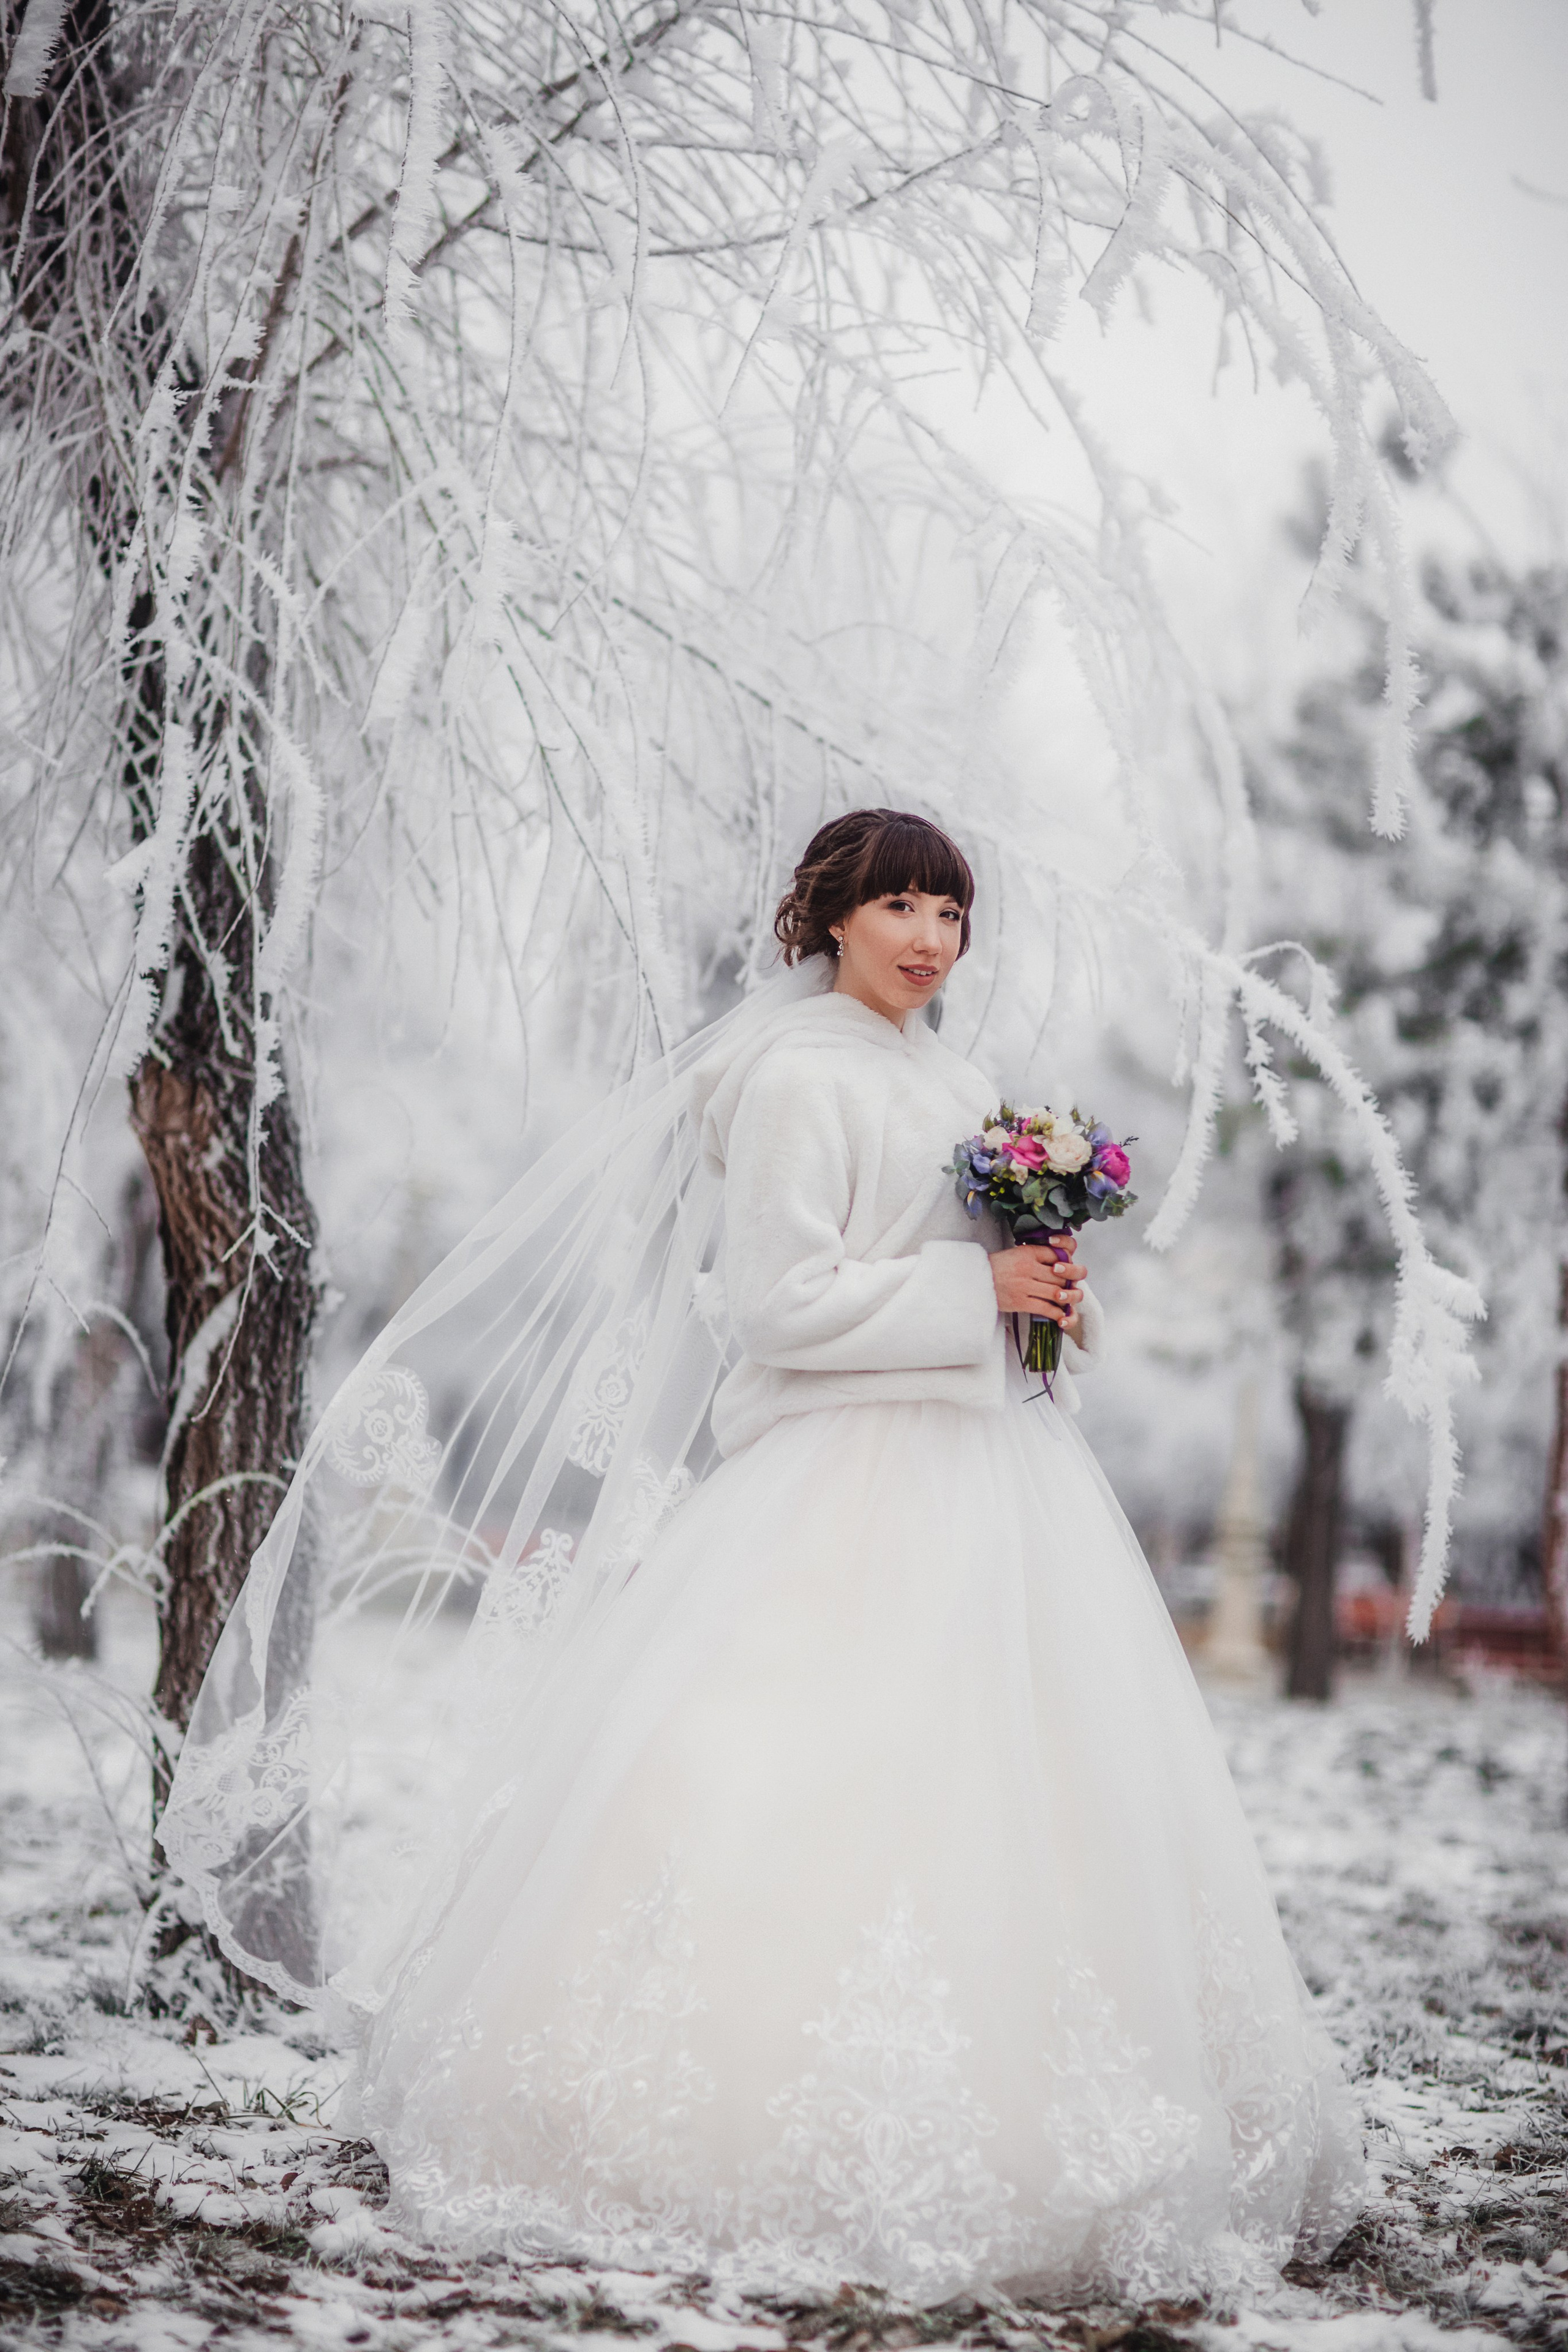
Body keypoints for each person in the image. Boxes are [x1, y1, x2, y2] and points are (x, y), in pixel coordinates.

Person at [160, 809, 1360, 2309]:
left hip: (993, 1475)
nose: (931, 938)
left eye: (953, 914)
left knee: (1024, 1776)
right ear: (832, 917)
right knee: (786, 1767)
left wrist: (1047, 1289)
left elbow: (974, 1271)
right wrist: (971, 1289)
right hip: (837, 1479)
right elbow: (782, 1303)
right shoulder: (792, 1074)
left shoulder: (956, 1081)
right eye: (902, 906)